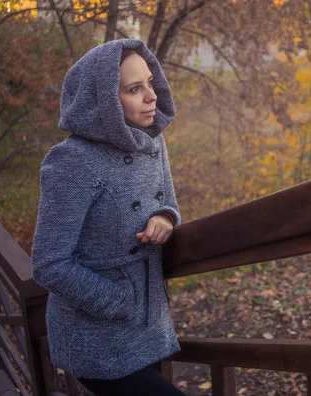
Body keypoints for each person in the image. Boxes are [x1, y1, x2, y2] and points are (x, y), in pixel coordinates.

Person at [31, 38, 185, 395]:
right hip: (98, 336)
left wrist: (165, 216)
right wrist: (120, 301)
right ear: (102, 100)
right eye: (134, 89)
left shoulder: (150, 140)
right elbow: (49, 263)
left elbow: (169, 200)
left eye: (149, 82)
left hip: (149, 322)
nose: (152, 96)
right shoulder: (72, 161)